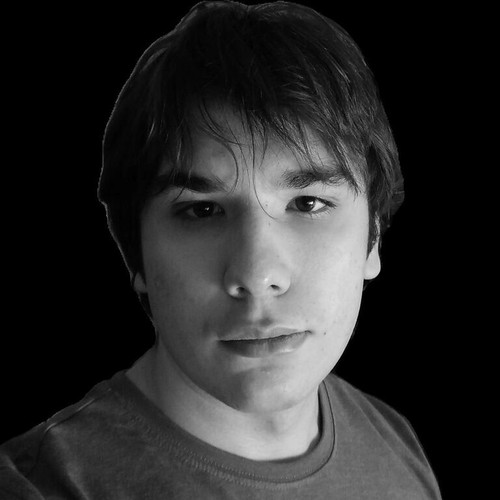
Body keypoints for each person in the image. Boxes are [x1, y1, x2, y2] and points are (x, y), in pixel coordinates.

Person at [0, 1, 442, 498]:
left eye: (308, 203)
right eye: (202, 210)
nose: (257, 274)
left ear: (373, 238)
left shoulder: (397, 446)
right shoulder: (43, 485)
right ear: (135, 253)